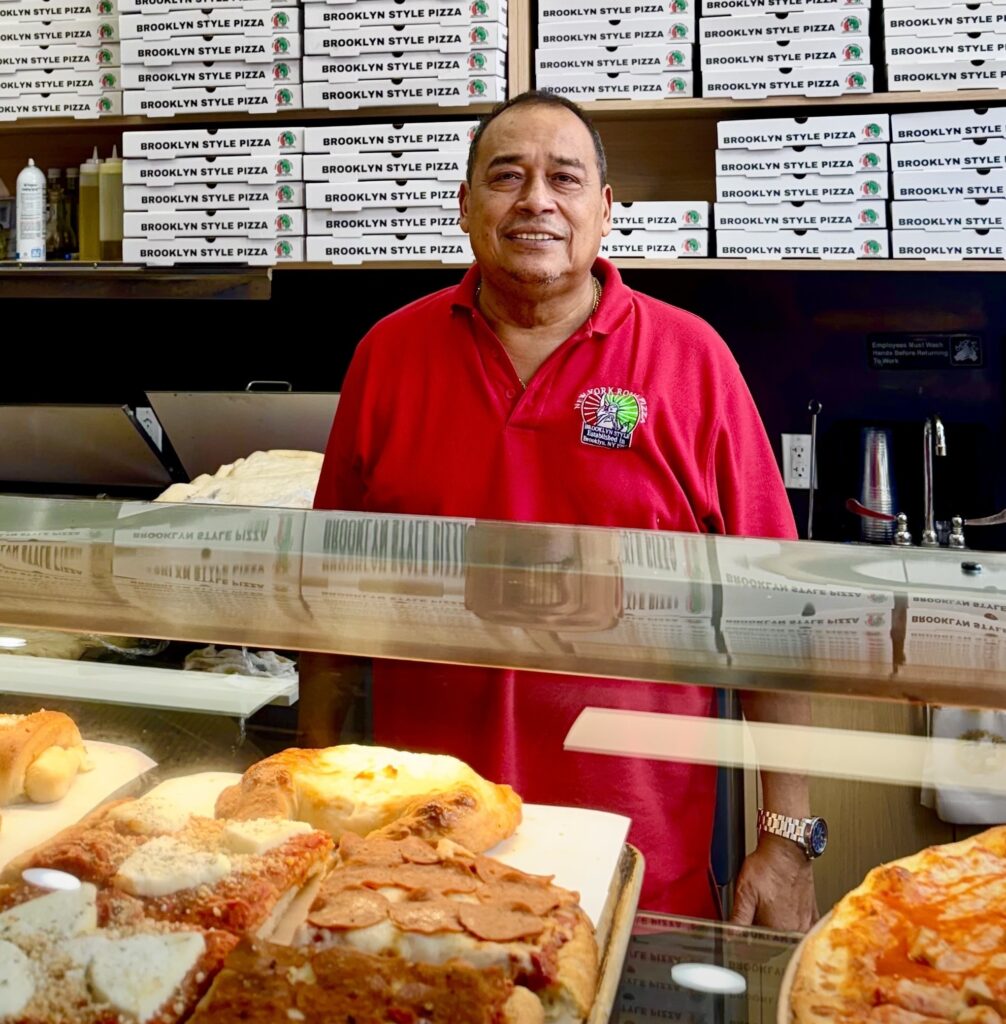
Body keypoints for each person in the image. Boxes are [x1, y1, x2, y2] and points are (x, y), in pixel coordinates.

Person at [308, 90, 818, 928]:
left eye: (565, 178)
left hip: (639, 866)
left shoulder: (692, 360)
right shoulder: (388, 355)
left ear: (605, 209)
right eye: (506, 176)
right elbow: (323, 605)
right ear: (466, 205)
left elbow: (774, 615)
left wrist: (787, 838)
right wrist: (314, 790)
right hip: (420, 858)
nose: (536, 200)